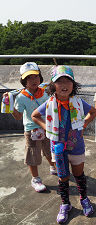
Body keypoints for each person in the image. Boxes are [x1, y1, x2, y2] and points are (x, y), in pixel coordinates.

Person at [31, 65, 96, 224]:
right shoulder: (49, 104)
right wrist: (48, 128)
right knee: (63, 177)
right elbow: (35, 116)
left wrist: (84, 124)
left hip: (77, 146)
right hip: (58, 147)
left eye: (68, 80)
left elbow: (93, 112)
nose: (64, 84)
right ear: (53, 85)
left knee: (79, 174)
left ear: (73, 85)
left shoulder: (78, 102)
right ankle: (65, 204)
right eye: (59, 81)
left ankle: (84, 199)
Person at [2, 62, 56, 192]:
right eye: (29, 78)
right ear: (23, 81)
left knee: (50, 150)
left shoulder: (46, 91)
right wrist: (10, 107)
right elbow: (18, 117)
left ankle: (53, 167)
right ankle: (35, 179)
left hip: (47, 126)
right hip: (32, 130)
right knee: (33, 155)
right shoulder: (21, 97)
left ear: (40, 77)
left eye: (35, 76)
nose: (33, 80)